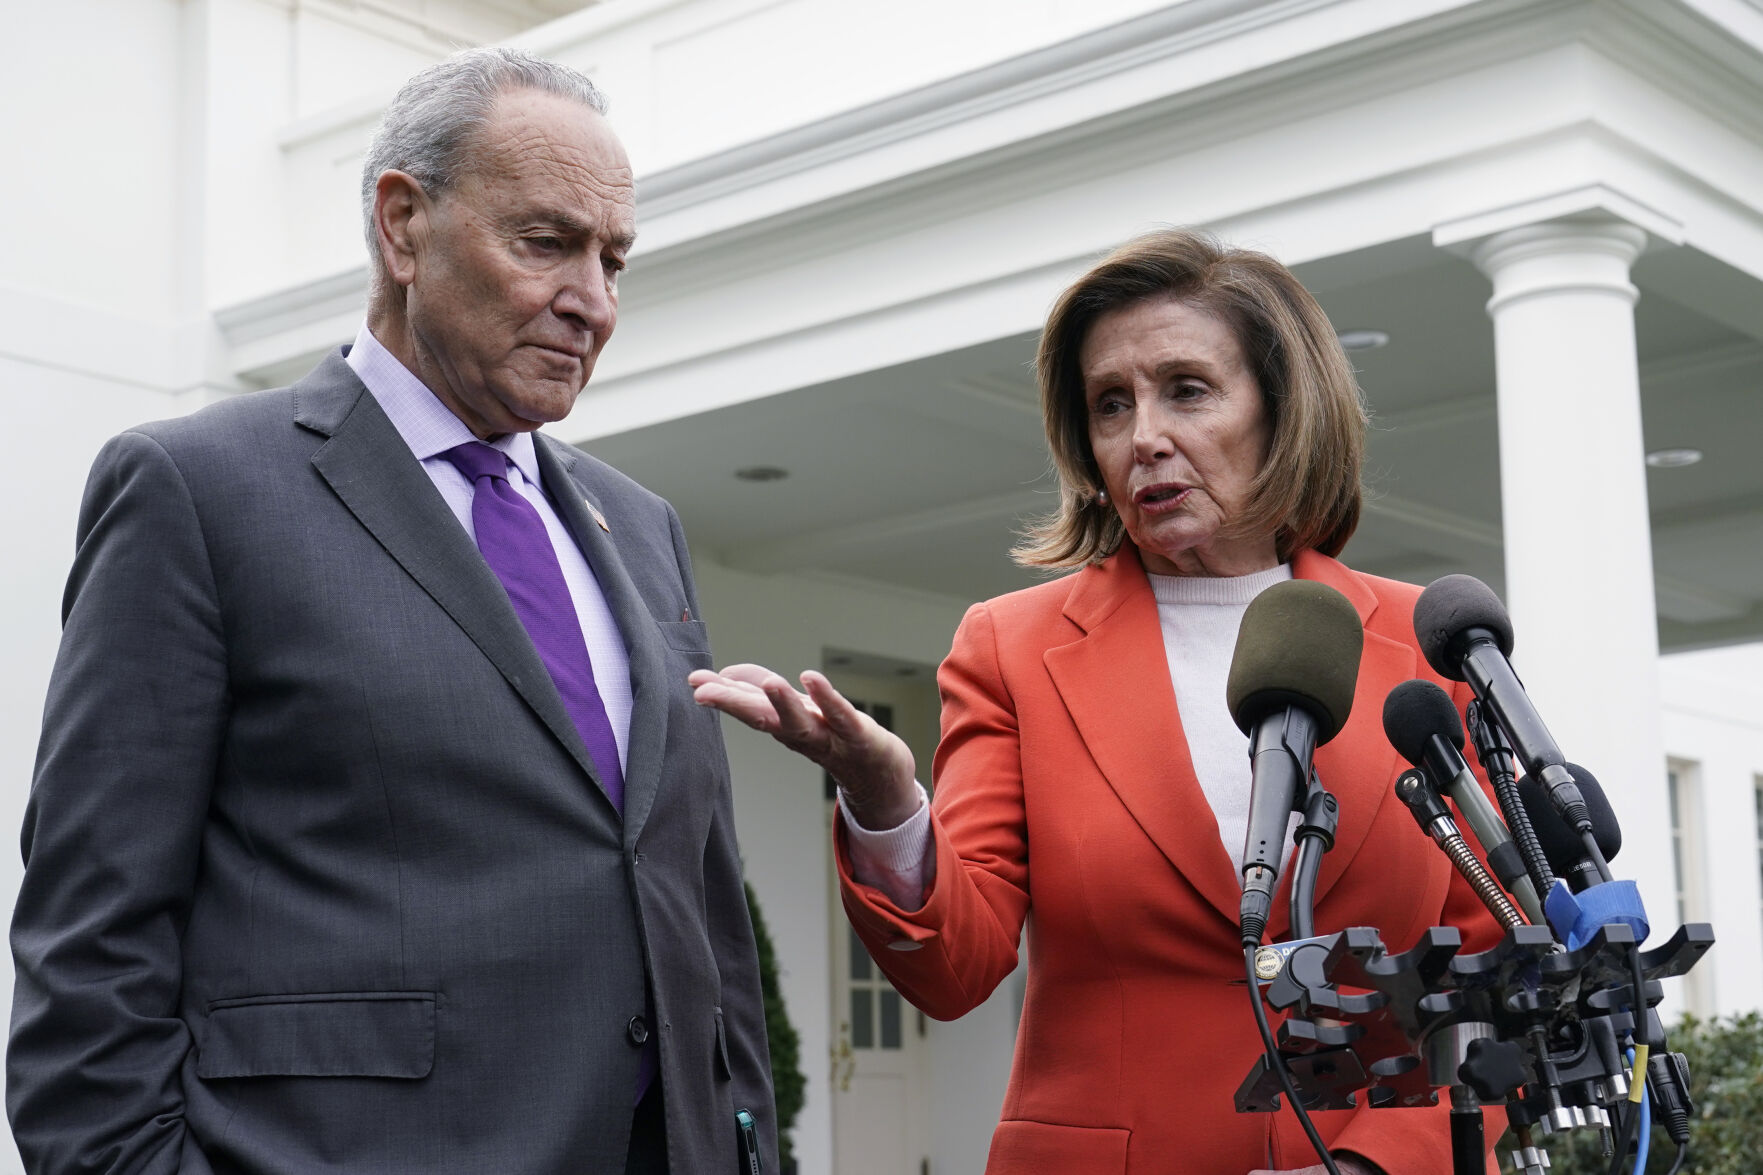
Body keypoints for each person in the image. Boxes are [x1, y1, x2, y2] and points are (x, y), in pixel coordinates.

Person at [9, 48, 774, 1175]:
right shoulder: (198, 490)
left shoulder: (641, 525)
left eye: (614, 259)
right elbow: (93, 943)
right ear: (403, 225)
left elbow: (695, 901)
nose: (593, 302)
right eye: (546, 242)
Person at [691, 229, 1504, 1174]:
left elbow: (1486, 970)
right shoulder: (1012, 647)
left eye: (1187, 390)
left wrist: (1368, 1165)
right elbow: (957, 967)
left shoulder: (1426, 644)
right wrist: (886, 804)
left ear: (1283, 409)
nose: (1143, 435)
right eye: (1108, 404)